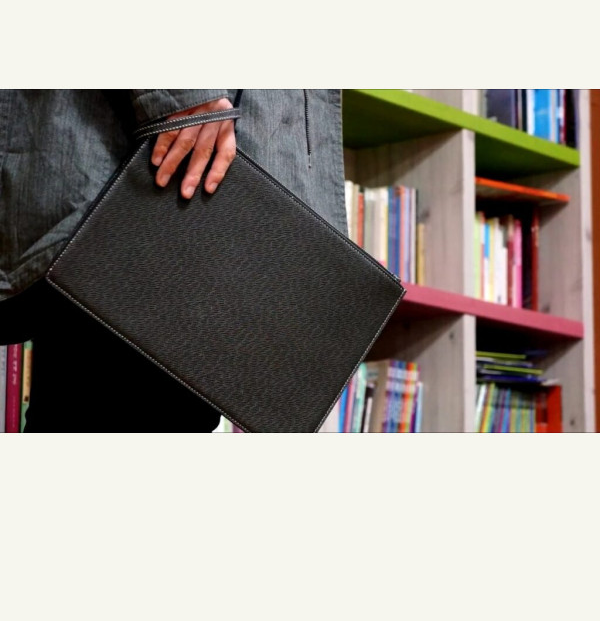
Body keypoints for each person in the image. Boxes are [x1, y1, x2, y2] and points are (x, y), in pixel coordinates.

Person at [0, 90, 349, 432]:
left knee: (173, 408)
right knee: (115, 396)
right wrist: (187, 92)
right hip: (153, 151)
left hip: (212, 168)